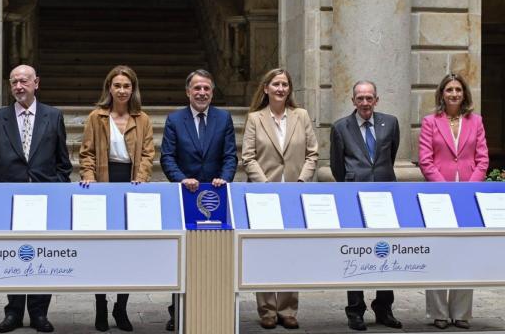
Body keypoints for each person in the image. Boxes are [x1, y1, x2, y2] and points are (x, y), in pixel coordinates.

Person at [0, 65, 72, 333]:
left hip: (45, 200)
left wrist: (55, 188)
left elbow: (63, 163)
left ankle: (39, 313)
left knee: (42, 254)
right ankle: (13, 312)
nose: (19, 86)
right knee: (13, 255)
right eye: (14, 82)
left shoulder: (53, 116)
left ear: (36, 83)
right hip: (9, 201)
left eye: (24, 81)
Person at [160, 69, 238, 331]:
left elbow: (230, 156)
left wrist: (225, 178)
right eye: (197, 88)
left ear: (212, 92)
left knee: (216, 256)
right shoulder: (174, 119)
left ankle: (214, 308)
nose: (202, 93)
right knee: (183, 258)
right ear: (188, 92)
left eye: (206, 88)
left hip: (216, 198)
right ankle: (177, 311)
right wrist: (181, 179)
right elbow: (167, 157)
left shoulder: (223, 118)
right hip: (186, 198)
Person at [79, 65, 155, 332]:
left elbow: (147, 153)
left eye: (126, 86)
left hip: (132, 184)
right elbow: (86, 153)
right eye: (117, 85)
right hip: (103, 183)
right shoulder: (96, 117)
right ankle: (100, 304)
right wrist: (89, 177)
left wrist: (142, 178)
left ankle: (121, 306)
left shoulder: (142, 118)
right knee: (101, 248)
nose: (122, 90)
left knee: (129, 249)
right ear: (109, 88)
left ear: (133, 89)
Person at [242, 68, 318, 330]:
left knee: (290, 251)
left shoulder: (301, 116)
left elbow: (312, 154)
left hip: (294, 195)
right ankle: (267, 310)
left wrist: (300, 183)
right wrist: (265, 187)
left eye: (285, 84)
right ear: (266, 88)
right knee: (264, 251)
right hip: (263, 195)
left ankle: (287, 309)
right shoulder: (255, 119)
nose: (280, 88)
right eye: (275, 84)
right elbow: (248, 157)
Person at [330, 80, 402, 331]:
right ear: (353, 101)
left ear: (376, 100)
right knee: (356, 252)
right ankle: (355, 311)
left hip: (385, 197)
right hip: (354, 198)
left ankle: (384, 307)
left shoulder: (390, 123)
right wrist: (353, 183)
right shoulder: (340, 127)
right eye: (360, 98)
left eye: (369, 98)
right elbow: (337, 167)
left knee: (386, 251)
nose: (364, 103)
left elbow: (389, 157)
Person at [418, 73, 488, 330]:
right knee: (438, 251)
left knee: (465, 253)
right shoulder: (430, 122)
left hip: (468, 197)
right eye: (449, 89)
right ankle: (437, 312)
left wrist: (469, 189)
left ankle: (461, 313)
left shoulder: (476, 121)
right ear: (442, 93)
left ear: (464, 94)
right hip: (438, 196)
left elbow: (483, 159)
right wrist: (445, 189)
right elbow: (425, 160)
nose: (454, 94)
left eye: (458, 89)